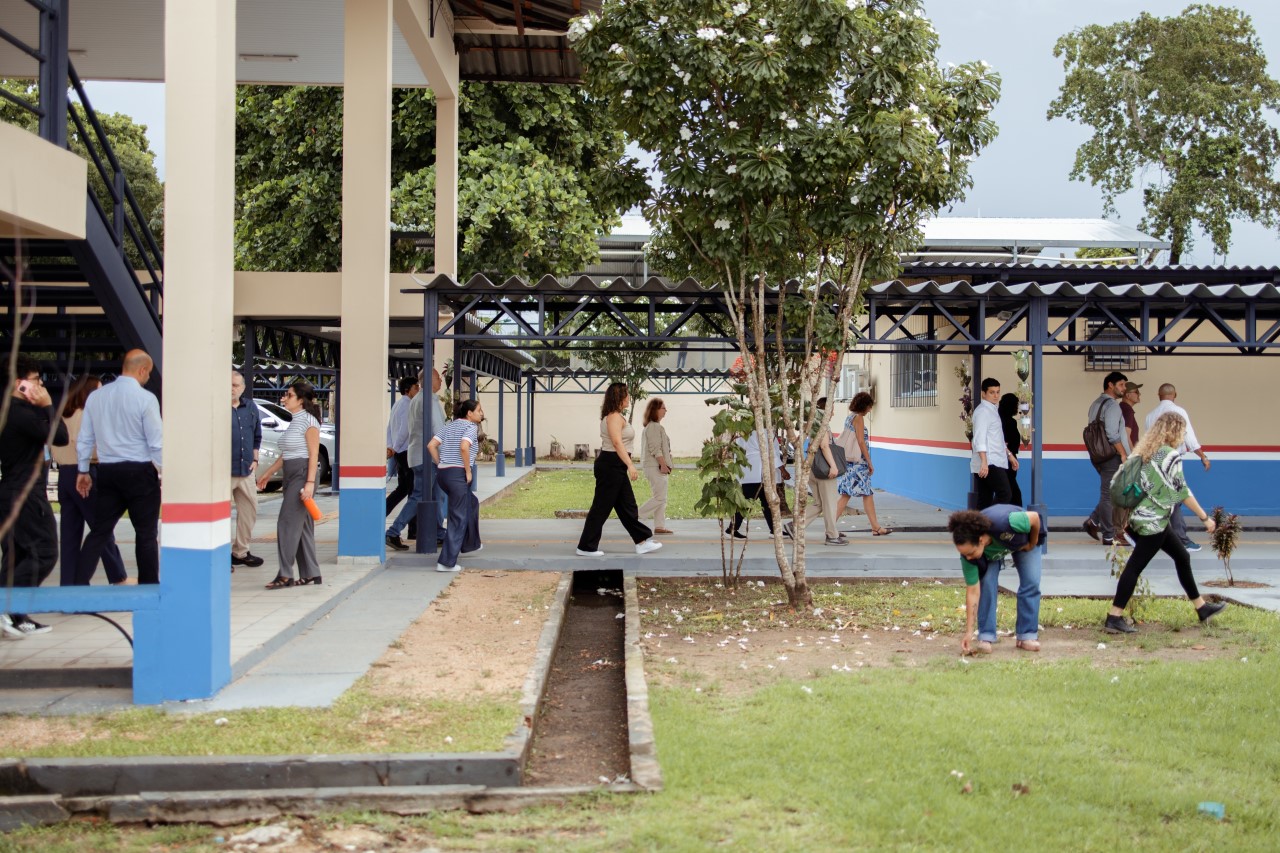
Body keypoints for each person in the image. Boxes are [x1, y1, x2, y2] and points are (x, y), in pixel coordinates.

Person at [1104, 412, 1224, 634]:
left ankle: (1202, 608)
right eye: (1183, 430)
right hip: (1154, 522)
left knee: (1182, 556)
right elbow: (1182, 492)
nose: (1184, 434)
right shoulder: (1170, 456)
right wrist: (1205, 518)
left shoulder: (1147, 452)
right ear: (1174, 430)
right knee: (1134, 567)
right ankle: (1114, 617)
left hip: (1146, 517)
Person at [75, 349, 163, 585]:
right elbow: (156, 442)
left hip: (108, 470)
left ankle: (78, 585)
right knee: (145, 533)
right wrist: (165, 471)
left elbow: (85, 437)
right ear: (142, 370)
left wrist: (83, 470)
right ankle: (148, 585)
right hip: (140, 470)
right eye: (148, 373)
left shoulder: (97, 396)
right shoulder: (145, 399)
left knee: (100, 531)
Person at [1, 355, 68, 637]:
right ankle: (7, 607)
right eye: (36, 380)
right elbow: (61, 436)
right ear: (20, 384)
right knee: (45, 552)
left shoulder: (10, 411)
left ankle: (15, 616)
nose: (40, 385)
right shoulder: (21, 413)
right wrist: (48, 405)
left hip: (12, 492)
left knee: (16, 558)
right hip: (26, 495)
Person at [53, 375, 130, 587]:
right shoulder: (89, 415)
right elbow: (89, 445)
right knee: (101, 528)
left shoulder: (62, 415)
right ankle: (118, 576)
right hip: (85, 473)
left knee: (69, 535)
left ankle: (68, 585)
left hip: (64, 474)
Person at [576, 382, 662, 557]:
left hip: (615, 465)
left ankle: (641, 542)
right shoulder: (614, 417)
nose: (629, 397)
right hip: (611, 465)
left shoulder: (616, 416)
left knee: (627, 506)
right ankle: (585, 546)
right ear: (619, 397)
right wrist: (630, 465)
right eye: (627, 394)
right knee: (601, 507)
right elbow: (616, 443)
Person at [947, 505, 1044, 655]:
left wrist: (1032, 542)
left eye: (971, 553)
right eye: (964, 555)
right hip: (992, 553)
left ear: (980, 540)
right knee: (986, 583)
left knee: (1031, 582)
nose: (969, 558)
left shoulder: (1006, 522)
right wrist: (969, 632)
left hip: (1022, 539)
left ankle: (1027, 635)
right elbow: (973, 592)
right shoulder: (968, 556)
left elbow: (1035, 517)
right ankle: (986, 636)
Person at [255, 380, 323, 588]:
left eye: (289, 395)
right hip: (291, 474)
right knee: (301, 526)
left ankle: (285, 574)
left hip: (303, 474)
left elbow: (313, 454)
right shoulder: (295, 420)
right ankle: (311, 572)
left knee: (286, 523)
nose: (284, 398)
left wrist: (310, 483)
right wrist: (268, 473)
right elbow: (286, 454)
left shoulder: (309, 421)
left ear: (300, 400)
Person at [1144, 383, 1210, 553]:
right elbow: (1189, 437)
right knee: (1177, 497)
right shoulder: (1179, 412)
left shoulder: (1150, 416)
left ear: (1159, 395)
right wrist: (1202, 456)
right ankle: (1181, 539)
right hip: (1172, 459)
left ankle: (1158, 538)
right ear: (1175, 394)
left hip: (1154, 459)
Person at [428, 399, 485, 572]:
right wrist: (468, 471)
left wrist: (440, 463)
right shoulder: (471, 427)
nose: (481, 414)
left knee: (472, 503)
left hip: (444, 474)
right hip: (457, 474)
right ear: (469, 413)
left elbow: (431, 445)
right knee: (457, 518)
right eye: (479, 410)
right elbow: (464, 447)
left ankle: (470, 543)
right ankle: (446, 563)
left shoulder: (450, 426)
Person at [784, 397, 845, 546]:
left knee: (819, 503)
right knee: (830, 503)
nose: (833, 414)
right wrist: (833, 466)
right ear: (825, 410)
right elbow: (824, 446)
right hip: (824, 471)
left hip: (813, 468)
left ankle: (794, 526)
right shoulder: (822, 425)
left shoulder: (810, 424)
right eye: (832, 410)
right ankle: (832, 535)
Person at [1082, 371, 1131, 547]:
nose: (1124, 389)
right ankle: (1110, 535)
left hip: (1098, 454)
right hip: (1112, 455)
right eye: (1121, 385)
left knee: (1112, 492)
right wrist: (1123, 453)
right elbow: (1112, 433)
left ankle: (1093, 521)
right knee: (1109, 495)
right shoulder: (1112, 406)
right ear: (1110, 385)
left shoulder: (1095, 404)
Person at [835, 392, 892, 535]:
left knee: (858, 494)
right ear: (864, 406)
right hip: (858, 464)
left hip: (850, 463)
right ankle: (831, 528)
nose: (870, 410)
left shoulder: (849, 417)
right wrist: (869, 461)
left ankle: (876, 527)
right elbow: (860, 441)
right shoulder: (859, 418)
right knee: (850, 494)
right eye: (869, 406)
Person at [230, 370, 264, 569]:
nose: (232, 389)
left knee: (249, 511)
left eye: (235, 385)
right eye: (229, 385)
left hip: (246, 469)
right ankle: (218, 554)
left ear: (242, 388)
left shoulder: (250, 406)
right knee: (220, 515)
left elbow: (257, 435)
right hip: (223, 472)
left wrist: (256, 458)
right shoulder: (217, 406)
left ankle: (240, 552)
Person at [727, 426, 786, 539]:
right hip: (759, 475)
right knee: (753, 503)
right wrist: (783, 470)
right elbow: (770, 453)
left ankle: (774, 530)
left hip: (750, 474)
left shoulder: (744, 433)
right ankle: (731, 529)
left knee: (766, 503)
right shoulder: (762, 433)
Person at [971, 378, 1014, 509]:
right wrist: (984, 461)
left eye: (997, 392)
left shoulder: (992, 410)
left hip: (992, 461)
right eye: (992, 392)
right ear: (983, 393)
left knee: (985, 500)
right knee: (1005, 494)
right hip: (989, 462)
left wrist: (1009, 455)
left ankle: (977, 528)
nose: (995, 395)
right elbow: (979, 438)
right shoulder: (983, 411)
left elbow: (997, 438)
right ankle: (990, 524)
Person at [384, 375, 419, 538]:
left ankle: (381, 514)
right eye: (416, 387)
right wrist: (395, 448)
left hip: (398, 453)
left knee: (403, 489)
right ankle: (414, 530)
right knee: (414, 491)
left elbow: (389, 428)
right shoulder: (409, 405)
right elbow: (405, 430)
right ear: (408, 390)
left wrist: (391, 447)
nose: (418, 390)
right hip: (405, 452)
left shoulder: (396, 404)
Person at [637, 398, 674, 536]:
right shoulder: (654, 426)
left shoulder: (655, 426)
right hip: (655, 466)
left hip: (655, 466)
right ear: (656, 410)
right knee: (659, 497)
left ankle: (659, 526)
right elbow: (655, 448)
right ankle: (635, 516)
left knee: (661, 497)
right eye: (663, 408)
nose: (666, 410)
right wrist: (663, 464)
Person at [998, 392, 1024, 507]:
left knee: (1005, 492)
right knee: (1012, 493)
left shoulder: (999, 419)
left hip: (1005, 459)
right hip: (1007, 459)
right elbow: (1006, 441)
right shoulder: (1009, 422)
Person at [1119, 381, 1142, 449]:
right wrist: (1132, 456)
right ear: (1128, 395)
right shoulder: (1128, 410)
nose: (1139, 394)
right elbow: (1125, 436)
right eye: (1136, 392)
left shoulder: (1121, 407)